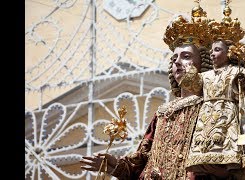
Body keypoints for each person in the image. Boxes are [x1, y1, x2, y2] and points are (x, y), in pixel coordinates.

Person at [80, 3, 215, 179]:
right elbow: (142, 160)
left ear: (202, 63)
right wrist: (115, 165)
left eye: (186, 56)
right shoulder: (163, 114)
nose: (177, 62)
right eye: (174, 58)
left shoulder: (212, 106)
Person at [182, 3, 245, 180]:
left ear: (229, 53)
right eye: (211, 51)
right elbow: (192, 85)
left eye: (217, 50)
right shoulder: (206, 75)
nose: (212, 54)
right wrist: (191, 71)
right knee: (205, 144)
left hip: (226, 112)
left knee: (226, 142)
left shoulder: (235, 71)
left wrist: (241, 77)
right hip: (207, 114)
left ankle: (230, 161)